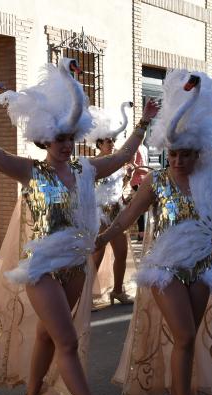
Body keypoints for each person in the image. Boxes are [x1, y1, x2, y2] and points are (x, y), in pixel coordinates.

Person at [0, 58, 159, 395]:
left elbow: (126, 155)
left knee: (47, 335)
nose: (65, 145)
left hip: (76, 267)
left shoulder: (87, 170)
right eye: (57, 139)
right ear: (44, 140)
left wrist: (143, 122)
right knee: (67, 341)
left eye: (69, 138)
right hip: (43, 270)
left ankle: (33, 393)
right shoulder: (31, 172)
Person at [100, 71, 212, 395]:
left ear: (198, 152)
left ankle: (182, 392)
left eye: (185, 154)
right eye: (173, 154)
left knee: (189, 338)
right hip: (165, 270)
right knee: (183, 335)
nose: (179, 160)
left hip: (201, 269)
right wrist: (102, 237)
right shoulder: (157, 182)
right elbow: (128, 215)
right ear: (166, 153)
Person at [87, 103, 135, 306]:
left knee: (121, 253)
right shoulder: (91, 165)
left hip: (117, 211)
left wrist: (128, 177)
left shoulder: (119, 163)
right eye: (108, 141)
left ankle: (117, 291)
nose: (112, 144)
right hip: (99, 214)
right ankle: (85, 297)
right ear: (99, 143)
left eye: (114, 140)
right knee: (96, 255)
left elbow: (119, 188)